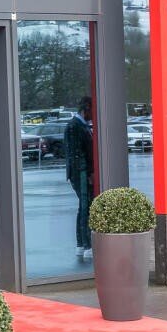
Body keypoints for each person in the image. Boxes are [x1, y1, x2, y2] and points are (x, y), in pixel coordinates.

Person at [65, 96, 95, 262]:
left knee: (84, 207)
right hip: (81, 173)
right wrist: (89, 173)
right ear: (86, 109)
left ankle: (82, 244)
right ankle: (86, 245)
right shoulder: (75, 127)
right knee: (86, 207)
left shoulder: (78, 126)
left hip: (80, 172)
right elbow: (78, 154)